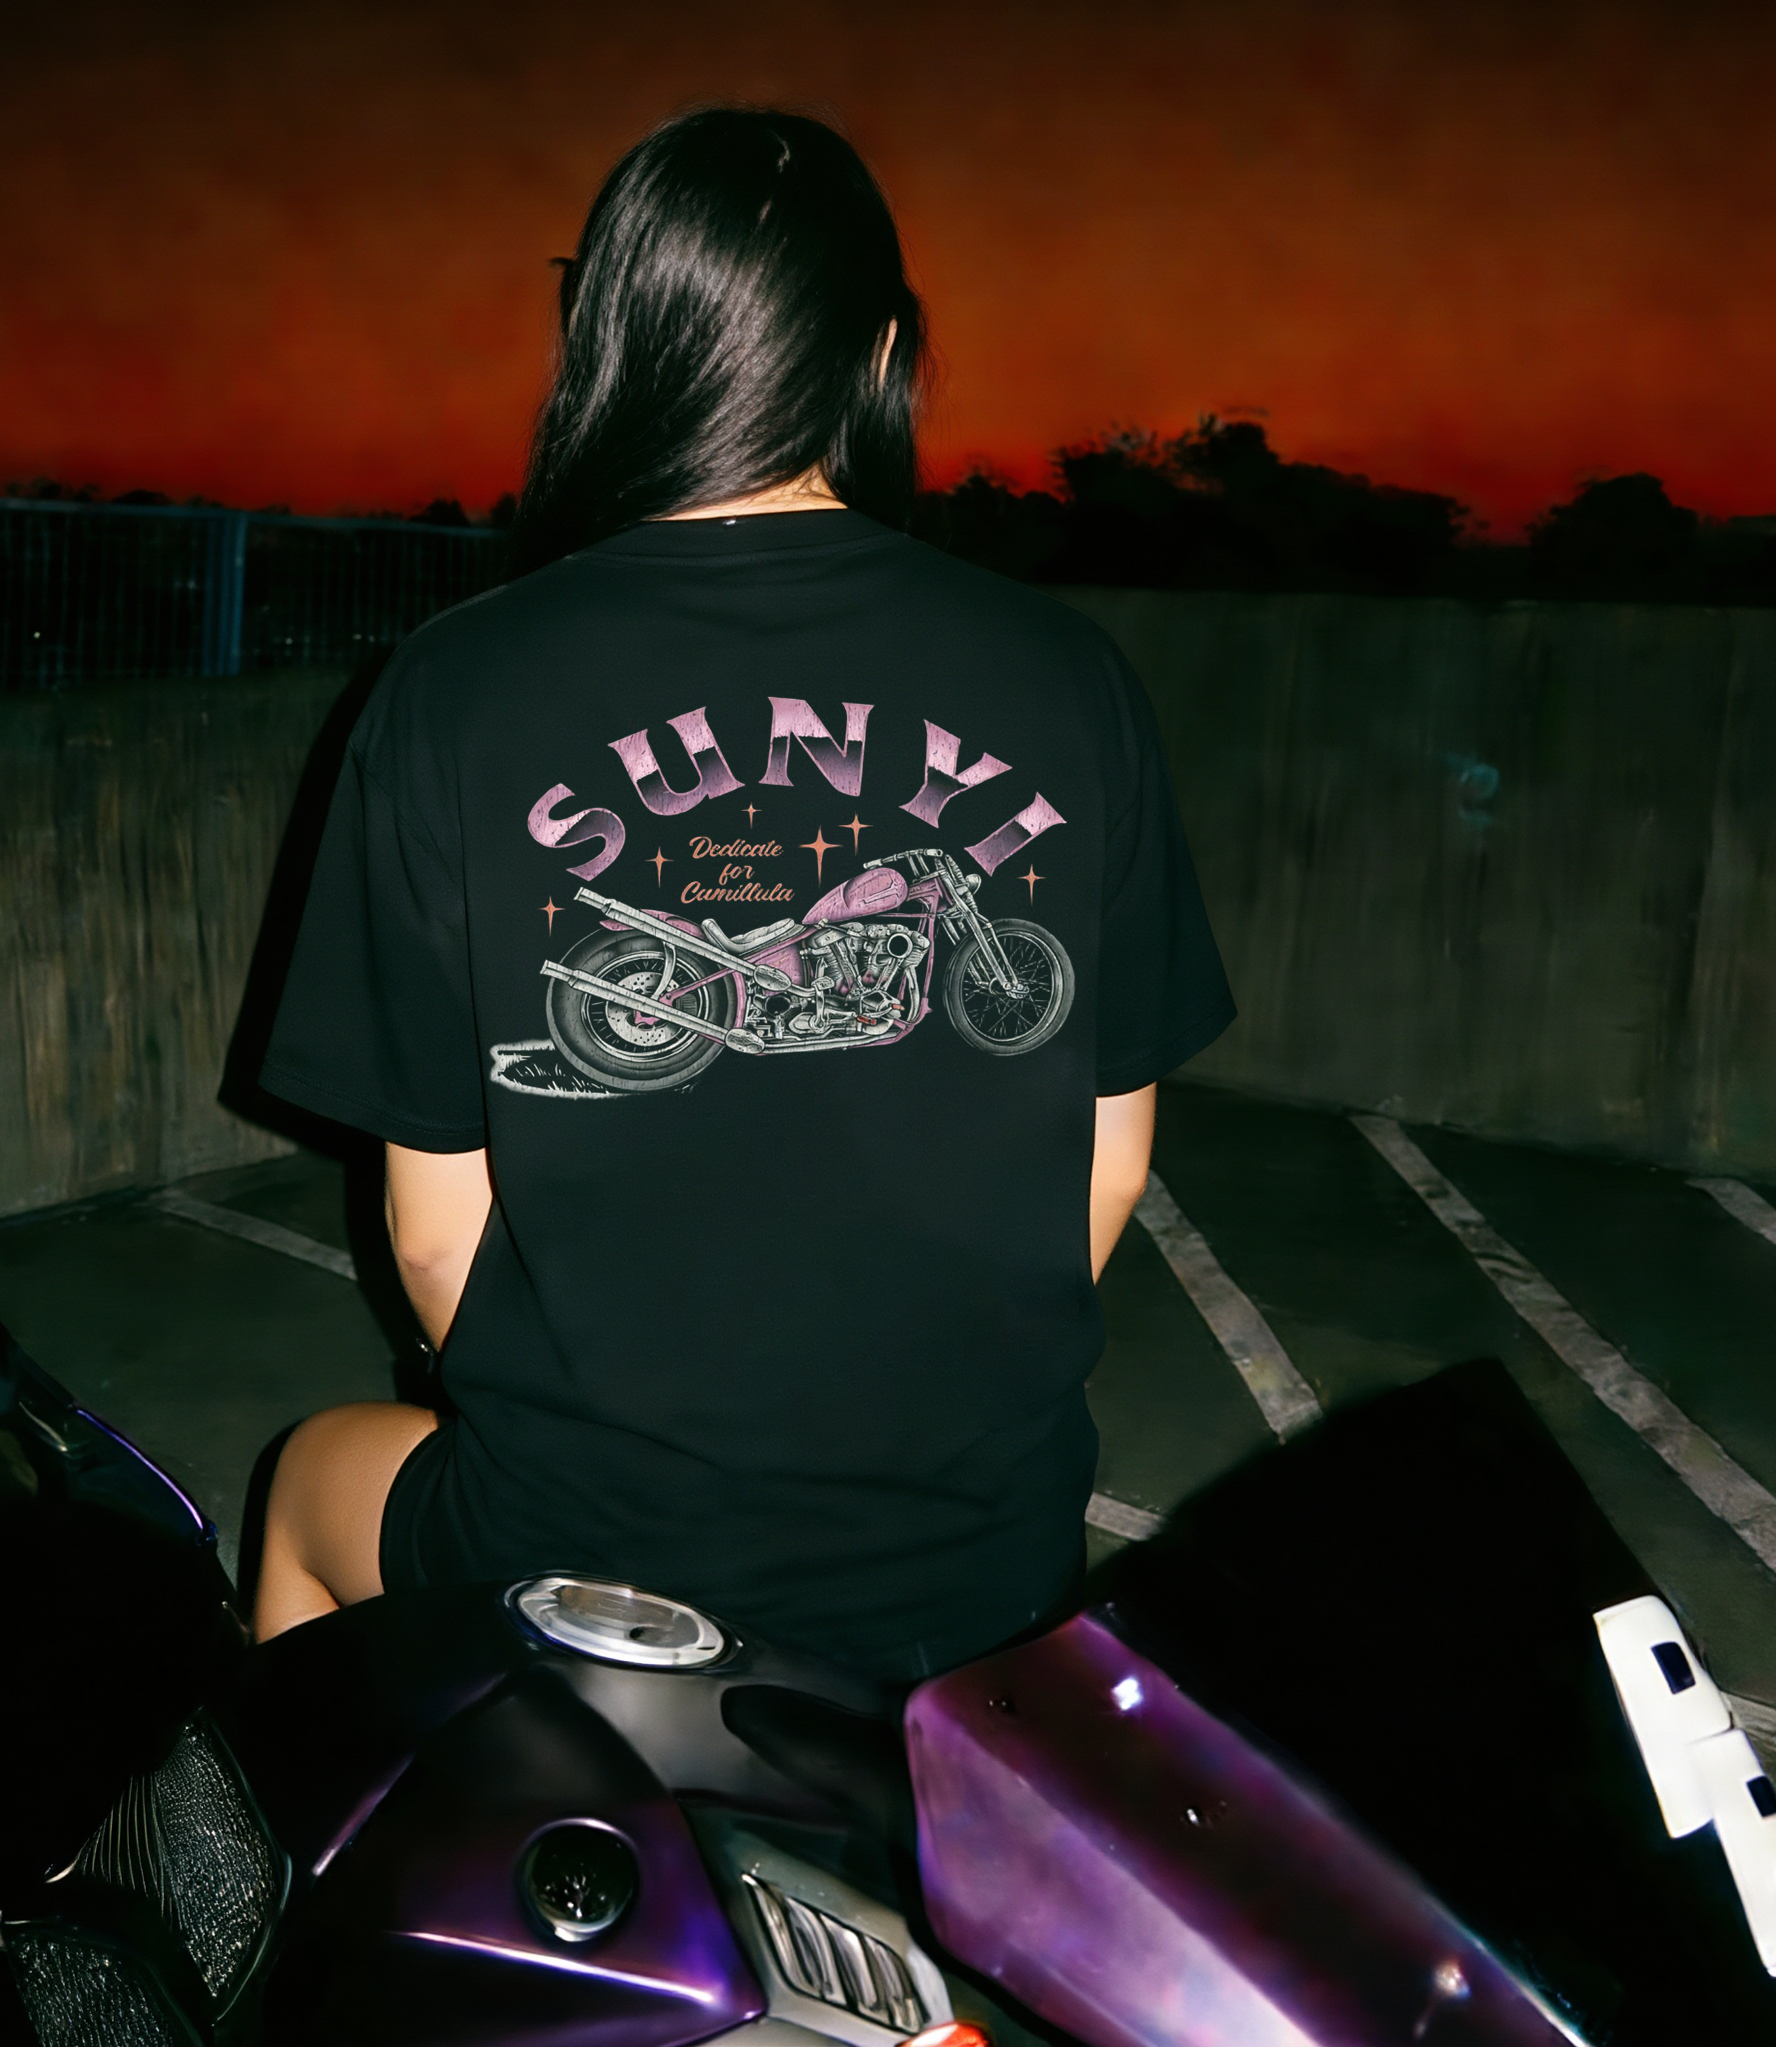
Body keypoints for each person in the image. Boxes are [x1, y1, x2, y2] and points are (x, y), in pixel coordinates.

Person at [251, 106, 1233, 1678]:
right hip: (979, 1562)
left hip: (590, 1537)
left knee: (307, 1477)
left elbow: (434, 1245)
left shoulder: (453, 688)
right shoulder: (1074, 676)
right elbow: (1104, 1175)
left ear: (606, 343)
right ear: (885, 350)